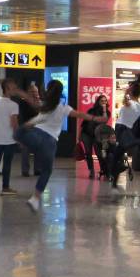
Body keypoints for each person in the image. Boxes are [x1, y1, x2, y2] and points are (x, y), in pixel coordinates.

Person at [15, 80, 105, 213]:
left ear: (48, 90)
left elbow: (32, 106)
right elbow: (80, 114)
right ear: (60, 92)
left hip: (35, 134)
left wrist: (18, 92)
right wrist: (96, 118)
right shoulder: (63, 107)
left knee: (20, 132)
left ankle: (16, 139)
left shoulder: (44, 105)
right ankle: (35, 199)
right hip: (49, 142)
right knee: (47, 171)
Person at [0, 79, 21, 198]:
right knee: (7, 163)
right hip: (9, 139)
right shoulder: (13, 105)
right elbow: (14, 123)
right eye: (13, 88)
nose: (15, 90)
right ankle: (5, 187)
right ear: (7, 88)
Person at [80, 94, 111, 179]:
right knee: (88, 153)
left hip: (97, 136)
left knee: (99, 154)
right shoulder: (91, 110)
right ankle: (91, 170)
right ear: (98, 102)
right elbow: (84, 123)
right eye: (102, 101)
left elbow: (104, 121)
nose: (104, 103)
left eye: (105, 101)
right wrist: (80, 136)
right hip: (86, 134)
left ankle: (103, 171)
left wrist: (104, 110)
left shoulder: (107, 112)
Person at [18, 83, 40, 177]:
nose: (34, 93)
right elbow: (22, 117)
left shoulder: (40, 103)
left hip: (38, 130)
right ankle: (25, 170)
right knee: (25, 151)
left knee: (38, 150)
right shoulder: (23, 103)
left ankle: (37, 169)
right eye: (32, 91)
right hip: (27, 129)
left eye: (35, 91)